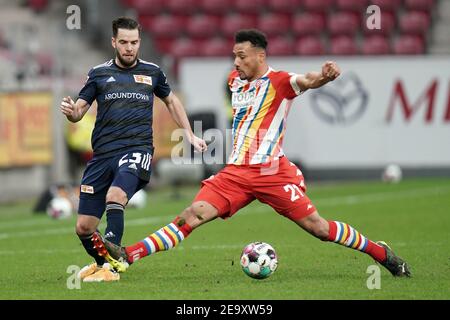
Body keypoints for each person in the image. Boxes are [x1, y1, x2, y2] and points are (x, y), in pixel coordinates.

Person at [92, 29, 411, 278]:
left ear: (260, 56)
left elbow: (308, 80)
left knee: (319, 229)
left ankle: (380, 253)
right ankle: (127, 255)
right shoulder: (235, 82)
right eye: (234, 55)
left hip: (272, 173)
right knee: (191, 215)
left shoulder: (281, 81)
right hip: (236, 174)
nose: (236, 62)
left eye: (242, 56)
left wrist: (325, 77)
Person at [60, 17, 207, 282]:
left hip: (137, 150)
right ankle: (102, 262)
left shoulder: (153, 72)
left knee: (116, 196)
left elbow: (171, 101)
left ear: (139, 42)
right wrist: (72, 113)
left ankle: (114, 267)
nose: (130, 48)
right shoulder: (99, 74)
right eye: (124, 42)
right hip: (102, 156)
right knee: (84, 227)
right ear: (114, 42)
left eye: (135, 42)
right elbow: (80, 110)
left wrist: (189, 133)